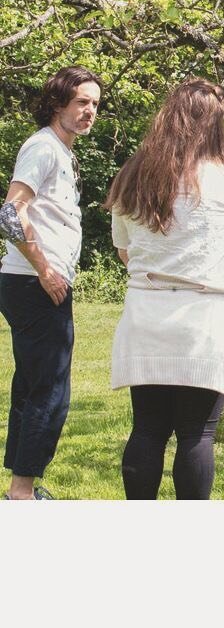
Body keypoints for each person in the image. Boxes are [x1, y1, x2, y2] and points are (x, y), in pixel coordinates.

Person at [106, 79, 224, 500]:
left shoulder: (134, 175)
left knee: (148, 429)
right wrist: (220, 291)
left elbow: (125, 250)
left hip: (146, 313)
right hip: (205, 318)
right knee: (197, 433)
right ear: (215, 124)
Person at [1, 65, 102, 500]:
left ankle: (18, 489)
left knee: (32, 386)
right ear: (58, 102)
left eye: (95, 104)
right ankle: (23, 494)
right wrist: (44, 268)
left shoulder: (61, 150)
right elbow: (9, 214)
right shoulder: (43, 148)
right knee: (51, 391)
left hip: (34, 283)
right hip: (35, 283)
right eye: (81, 102)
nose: (89, 112)